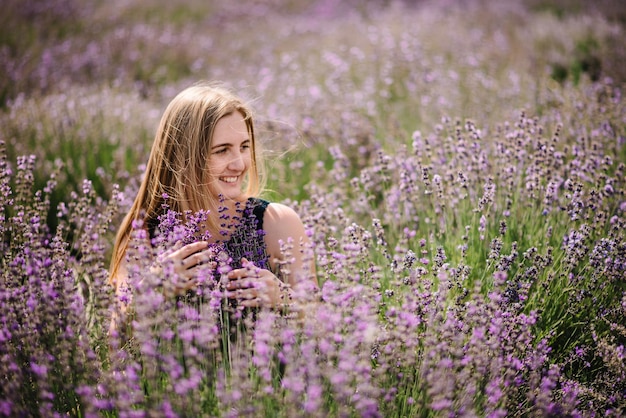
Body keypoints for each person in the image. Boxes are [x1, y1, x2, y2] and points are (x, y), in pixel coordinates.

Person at [108, 82, 317, 333]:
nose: (239, 164)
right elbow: (115, 347)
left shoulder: (277, 223)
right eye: (222, 151)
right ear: (184, 157)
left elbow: (325, 326)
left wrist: (285, 298)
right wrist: (152, 289)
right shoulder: (144, 234)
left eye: (244, 146)